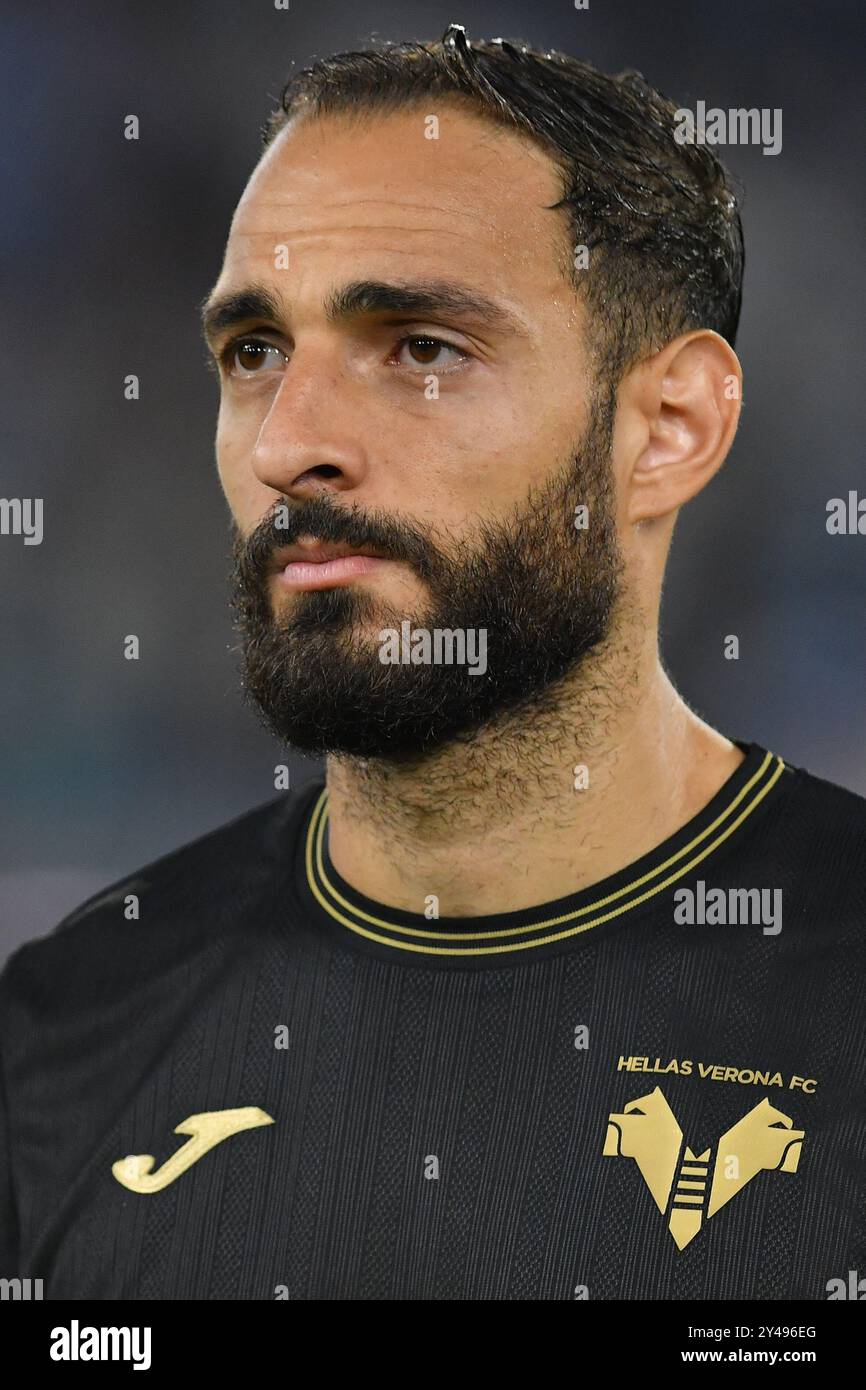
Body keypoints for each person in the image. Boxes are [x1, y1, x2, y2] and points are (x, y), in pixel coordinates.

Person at [1, 25, 863, 1301]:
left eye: (420, 349)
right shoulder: (66, 1023)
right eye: (253, 353)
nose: (289, 443)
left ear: (668, 428)